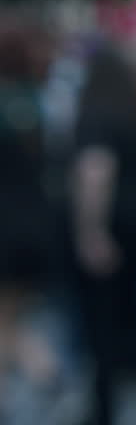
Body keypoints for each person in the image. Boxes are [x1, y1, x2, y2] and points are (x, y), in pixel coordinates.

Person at [70, 46, 136, 425]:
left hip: (114, 226)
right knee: (128, 310)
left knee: (104, 318)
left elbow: (95, 173)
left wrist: (90, 231)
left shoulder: (96, 116)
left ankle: (114, 401)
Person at [0, 23, 59, 413]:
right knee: (10, 315)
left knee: (5, 323)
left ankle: (43, 366)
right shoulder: (40, 101)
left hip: (4, 228)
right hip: (37, 224)